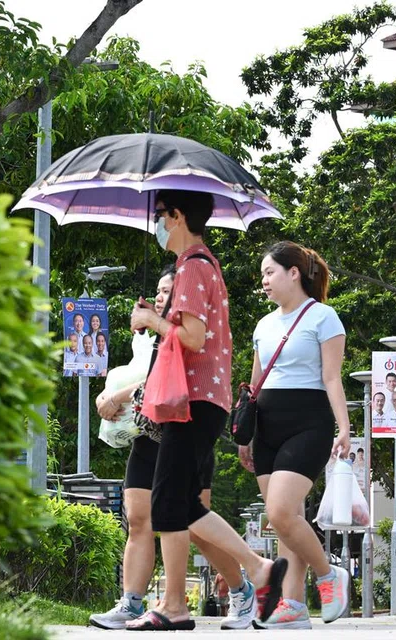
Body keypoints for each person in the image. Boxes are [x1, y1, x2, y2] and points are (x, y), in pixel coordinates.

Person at [123, 190, 287, 631]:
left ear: (177, 216)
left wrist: (151, 321)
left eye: (160, 214)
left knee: (168, 501)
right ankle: (257, 570)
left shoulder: (194, 266)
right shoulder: (196, 265)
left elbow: (194, 338)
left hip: (194, 399)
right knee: (180, 503)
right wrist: (159, 318)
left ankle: (178, 604)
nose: (157, 224)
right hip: (199, 399)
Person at [90, 268, 255, 631]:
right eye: (159, 291)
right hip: (149, 435)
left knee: (193, 525)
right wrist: (111, 394)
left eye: (170, 290)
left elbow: (165, 383)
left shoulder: (189, 334)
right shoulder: (153, 337)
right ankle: (131, 602)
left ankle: (243, 588)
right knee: (138, 520)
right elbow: (144, 379)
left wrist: (116, 396)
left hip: (184, 435)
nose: (162, 296)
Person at [237, 241, 352, 629]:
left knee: (281, 511)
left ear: (294, 273)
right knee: (285, 522)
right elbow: (254, 385)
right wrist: (245, 435)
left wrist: (344, 428)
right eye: (262, 275)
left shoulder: (323, 317)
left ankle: (329, 575)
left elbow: (331, 378)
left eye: (270, 272)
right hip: (267, 427)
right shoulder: (263, 325)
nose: (264, 281)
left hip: (308, 423)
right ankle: (293, 605)